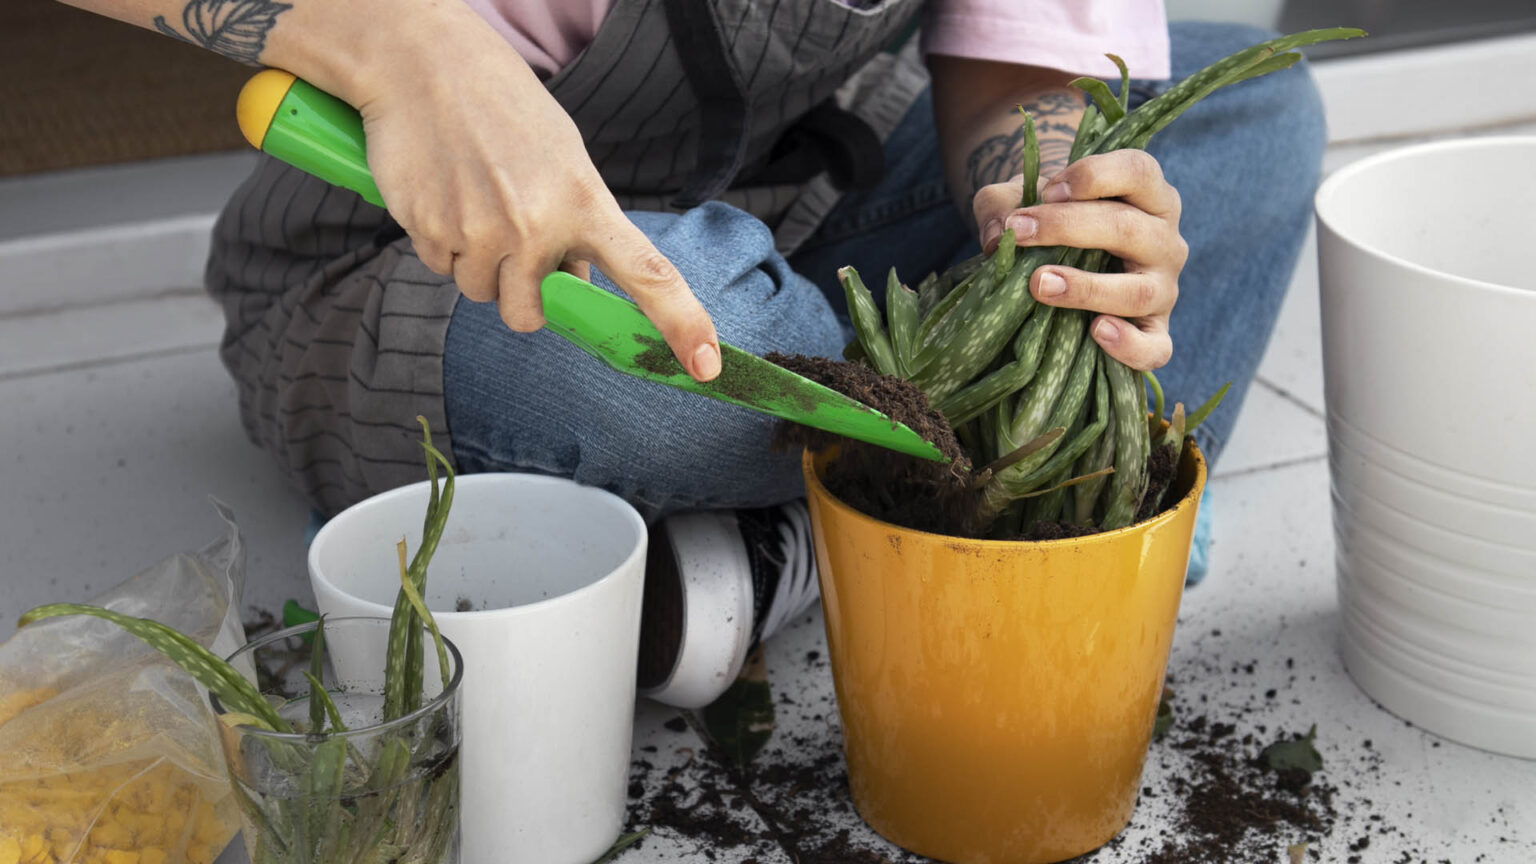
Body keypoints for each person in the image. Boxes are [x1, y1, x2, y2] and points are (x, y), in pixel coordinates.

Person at [60, 0, 1322, 708]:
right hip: (424, 262)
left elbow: (1013, 79)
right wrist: (405, 45)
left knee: (1249, 110)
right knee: (666, 368)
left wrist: (1050, 220)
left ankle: (829, 533)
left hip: (793, 204)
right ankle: (974, 511)